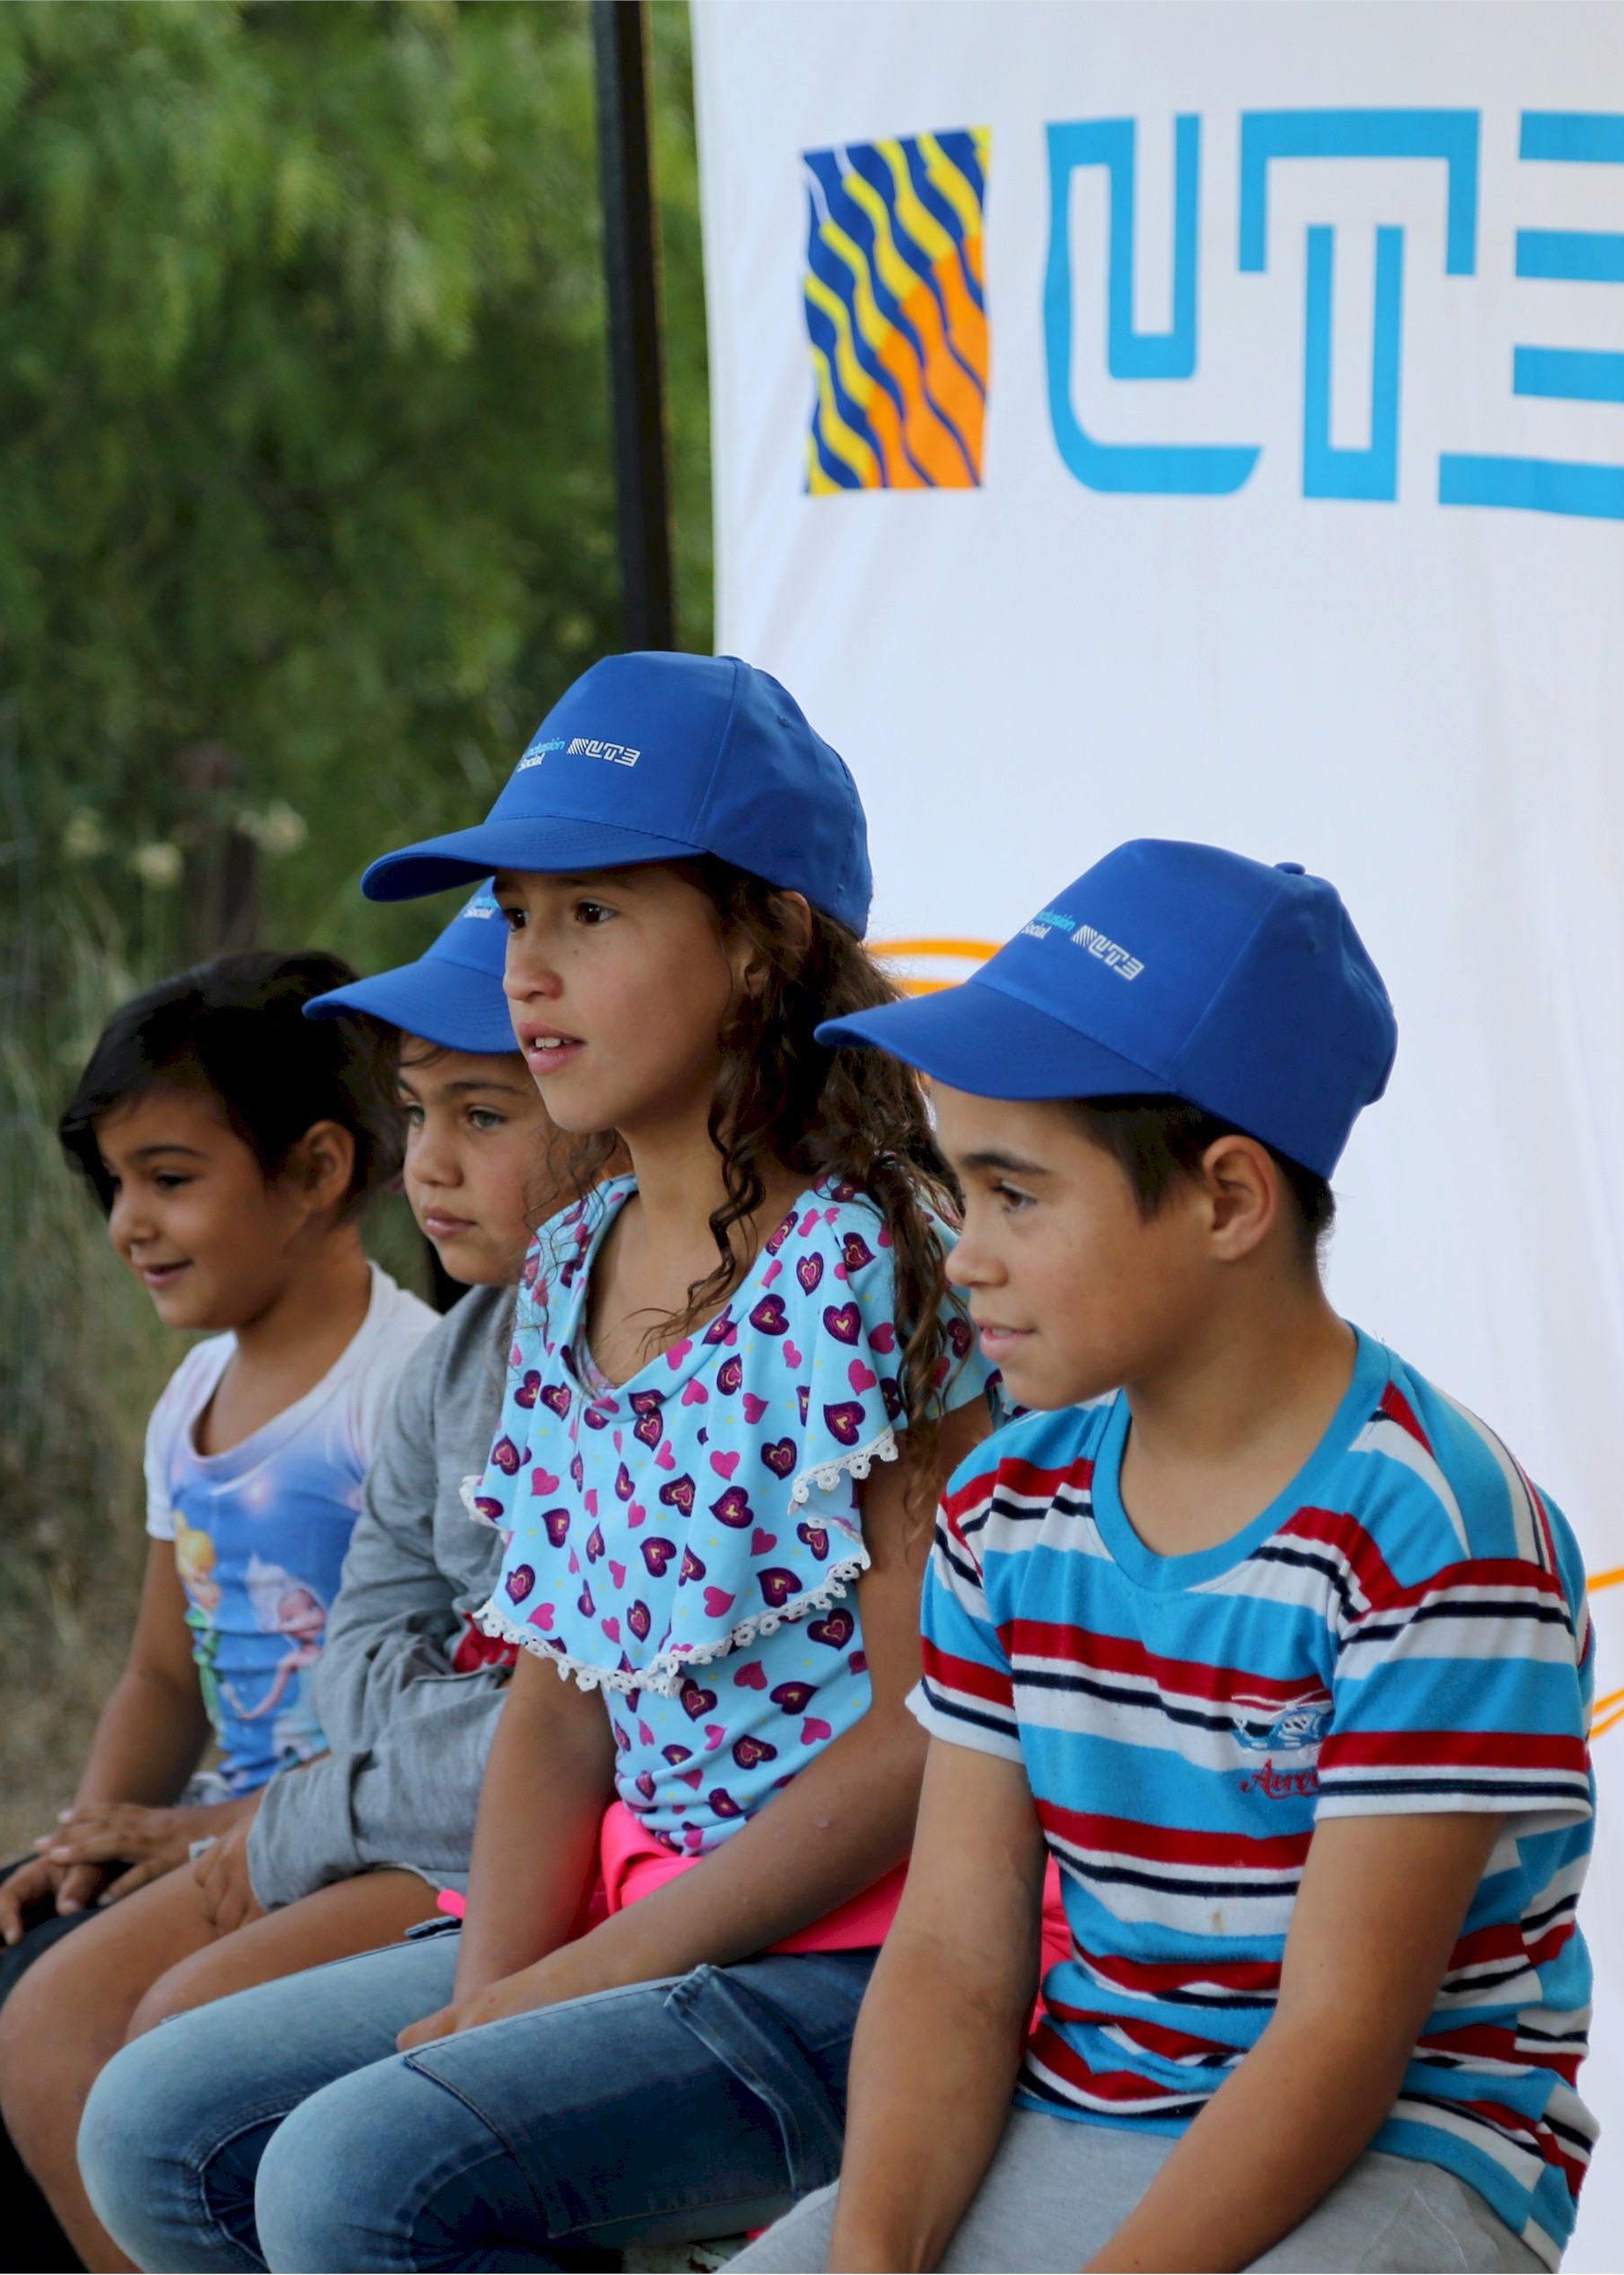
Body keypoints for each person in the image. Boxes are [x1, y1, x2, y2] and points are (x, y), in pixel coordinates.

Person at [78, 651, 1000, 2272]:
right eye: (515, 916)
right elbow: (558, 1705)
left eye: (593, 914)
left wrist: (563, 1988)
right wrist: (486, 1996)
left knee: (352, 2183)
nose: (528, 972)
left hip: (850, 1953)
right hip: (620, 1917)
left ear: (760, 940)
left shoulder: (871, 1263)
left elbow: (935, 1721)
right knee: (155, 2126)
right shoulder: (566, 1267)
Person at [735, 840, 1600, 2274]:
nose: (963, 1255)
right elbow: (954, 1950)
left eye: (1015, 1194)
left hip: (1408, 2146)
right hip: (1083, 2112)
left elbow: (1341, 2035)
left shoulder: (1430, 1533)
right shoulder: (1006, 1503)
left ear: (1226, 1200)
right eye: (962, 1189)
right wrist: (869, 2260)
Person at [0, 889, 618, 2267]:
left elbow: (544, 1732)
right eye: (421, 1112)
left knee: (167, 2058)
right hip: (359, 1816)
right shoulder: (452, 1369)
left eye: (483, 1114)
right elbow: (364, 1673)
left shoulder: (513, 1364)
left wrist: (251, 1833)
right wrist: (115, 1828)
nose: (425, 1164)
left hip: (438, 1848)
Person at [0, 949, 436, 2272]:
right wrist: (80, 1841)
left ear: (314, 1170)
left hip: (347, 1836)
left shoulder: (401, 1391)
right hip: (205, 1825)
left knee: (56, 2015)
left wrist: (198, 1834)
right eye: (116, 1183)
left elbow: (433, 1718)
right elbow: (160, 1678)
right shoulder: (186, 1404)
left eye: (170, 1179)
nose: (129, 1221)